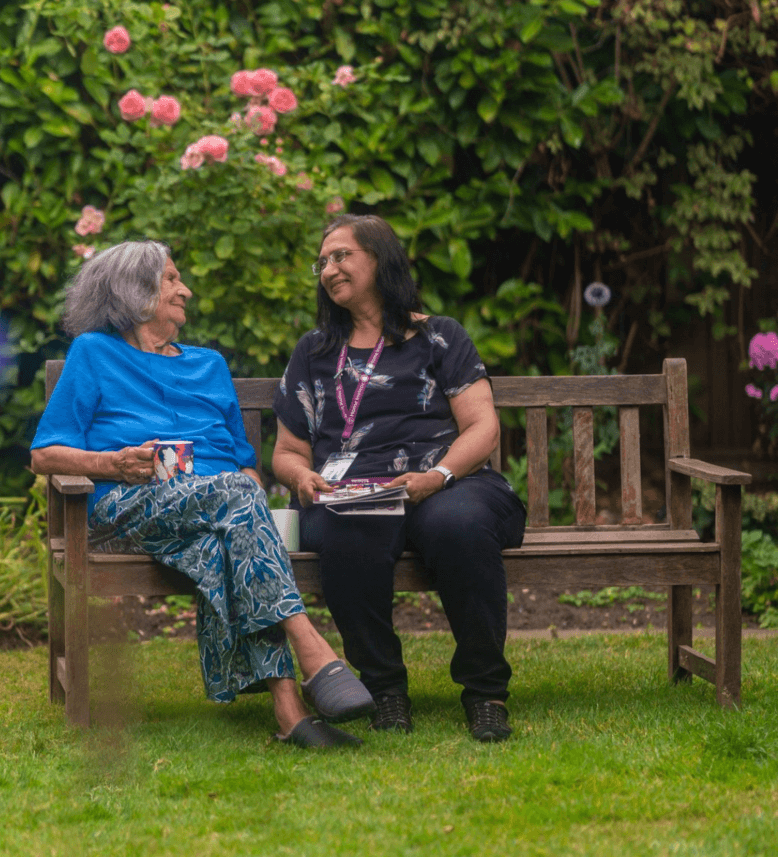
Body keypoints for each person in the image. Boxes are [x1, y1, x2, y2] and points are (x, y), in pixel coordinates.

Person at [30, 239, 375, 748]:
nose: (184, 289)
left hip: (219, 512)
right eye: (171, 279)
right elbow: (45, 454)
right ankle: (312, 649)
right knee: (235, 496)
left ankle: (289, 712)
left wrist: (252, 501)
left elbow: (243, 464)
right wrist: (112, 464)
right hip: (128, 506)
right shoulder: (94, 354)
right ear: (134, 290)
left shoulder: (209, 365)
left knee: (230, 535)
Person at [271, 215, 527, 742]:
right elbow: (287, 451)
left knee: (459, 527)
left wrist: (436, 476)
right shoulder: (314, 352)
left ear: (380, 260)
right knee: (345, 533)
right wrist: (303, 477)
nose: (328, 268)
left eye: (341, 255)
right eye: (322, 262)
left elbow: (483, 426)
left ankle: (485, 694)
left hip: (447, 480)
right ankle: (384, 689)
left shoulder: (438, 337)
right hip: (351, 493)